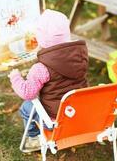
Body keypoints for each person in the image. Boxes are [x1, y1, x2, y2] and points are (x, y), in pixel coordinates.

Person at [8, 9, 89, 152]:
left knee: (27, 107)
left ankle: (34, 139)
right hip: (78, 113)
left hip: (56, 119)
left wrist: (15, 77)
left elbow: (28, 93)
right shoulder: (80, 56)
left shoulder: (41, 68)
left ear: (40, 37)